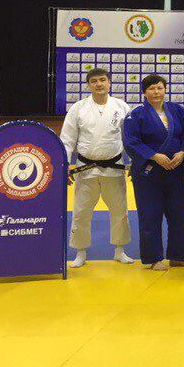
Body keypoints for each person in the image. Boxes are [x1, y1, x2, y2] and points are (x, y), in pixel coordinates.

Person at [61, 67, 133, 267]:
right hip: (85, 167)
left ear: (109, 82)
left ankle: (120, 250)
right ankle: (80, 252)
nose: (99, 84)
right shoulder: (78, 108)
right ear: (88, 85)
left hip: (115, 166)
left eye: (102, 80)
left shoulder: (121, 106)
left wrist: (135, 161)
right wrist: (64, 164)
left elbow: (130, 138)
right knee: (81, 211)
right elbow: (67, 139)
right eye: (94, 81)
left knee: (120, 211)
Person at [123, 74, 184, 270]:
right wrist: (154, 156)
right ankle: (154, 258)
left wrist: (183, 152)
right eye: (151, 89)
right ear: (144, 92)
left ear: (165, 90)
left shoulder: (176, 110)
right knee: (150, 215)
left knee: (179, 214)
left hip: (175, 170)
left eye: (160, 88)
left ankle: (178, 256)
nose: (156, 92)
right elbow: (131, 142)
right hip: (148, 173)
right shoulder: (136, 114)